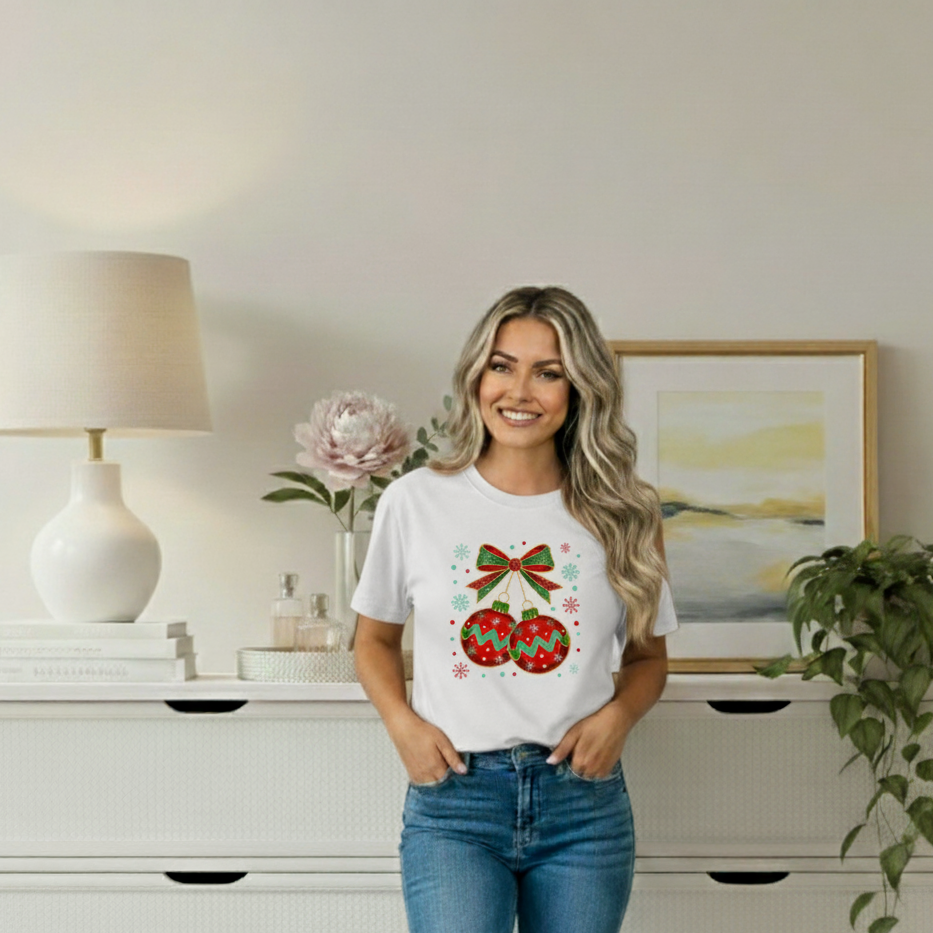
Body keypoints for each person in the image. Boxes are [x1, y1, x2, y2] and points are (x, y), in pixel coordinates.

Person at [352, 286, 677, 933]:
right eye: (501, 365)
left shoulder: (624, 510)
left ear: (579, 387)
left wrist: (618, 715)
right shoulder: (415, 501)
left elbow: (648, 659)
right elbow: (374, 640)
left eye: (547, 372)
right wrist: (402, 724)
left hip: (582, 806)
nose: (519, 390)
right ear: (476, 374)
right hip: (455, 804)